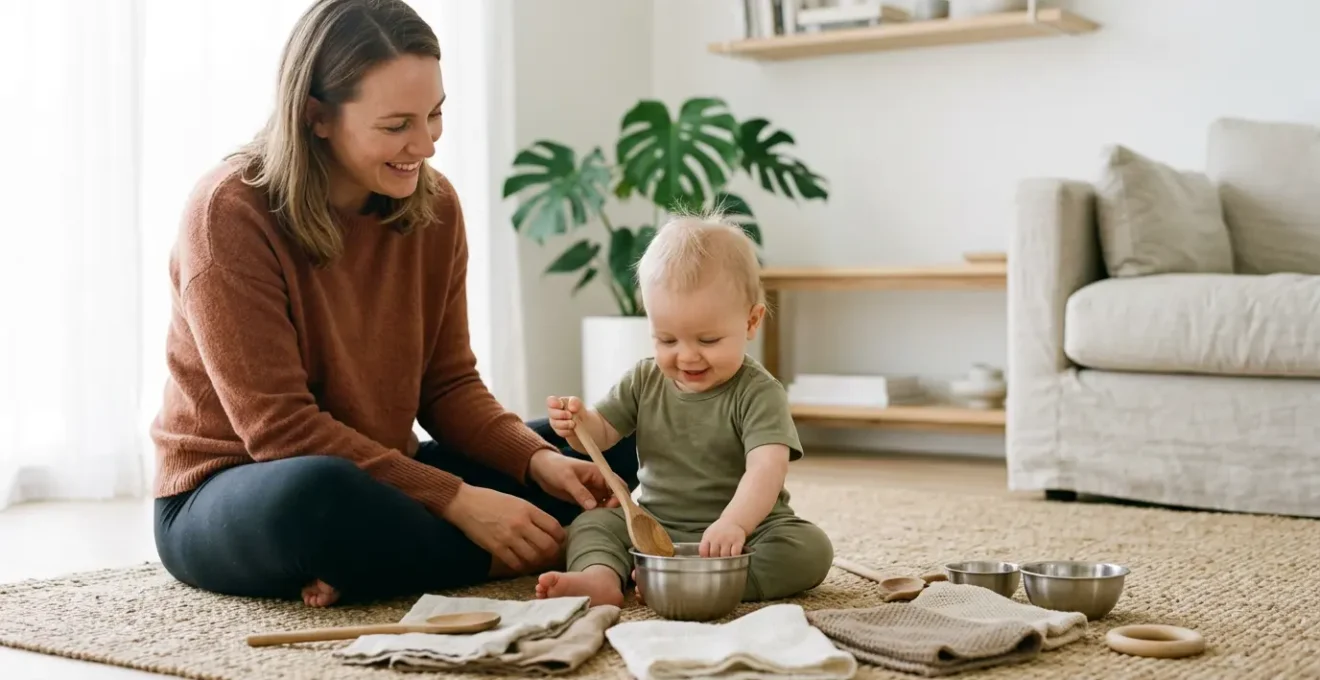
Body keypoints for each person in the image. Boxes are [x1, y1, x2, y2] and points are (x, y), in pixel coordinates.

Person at [150, 0, 638, 609]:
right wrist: (459, 501)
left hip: (385, 473)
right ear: (316, 116)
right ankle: (550, 547)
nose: (425, 145)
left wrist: (537, 462)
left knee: (610, 449)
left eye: (435, 115)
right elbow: (281, 432)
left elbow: (449, 386)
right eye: (396, 125)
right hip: (235, 487)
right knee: (321, 496)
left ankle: (382, 562)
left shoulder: (434, 208)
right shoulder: (227, 212)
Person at [534, 215, 835, 608]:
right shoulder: (644, 378)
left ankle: (721, 583)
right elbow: (603, 432)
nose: (687, 355)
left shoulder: (760, 393)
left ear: (751, 321)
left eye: (708, 339)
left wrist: (735, 524)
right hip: (656, 526)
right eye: (667, 338)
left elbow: (767, 469)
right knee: (591, 524)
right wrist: (577, 424)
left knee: (810, 549)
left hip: (745, 532)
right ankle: (601, 579)